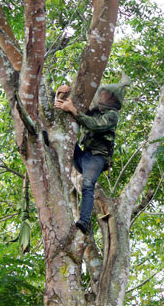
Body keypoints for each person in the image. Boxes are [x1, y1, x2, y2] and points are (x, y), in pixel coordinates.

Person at [54, 74, 130, 235]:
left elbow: (94, 125)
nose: (101, 97)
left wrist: (75, 111)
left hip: (97, 158)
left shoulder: (112, 115)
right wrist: (59, 93)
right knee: (60, 138)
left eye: (105, 95)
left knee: (87, 185)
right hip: (83, 156)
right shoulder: (92, 111)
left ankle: (84, 221)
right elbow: (64, 107)